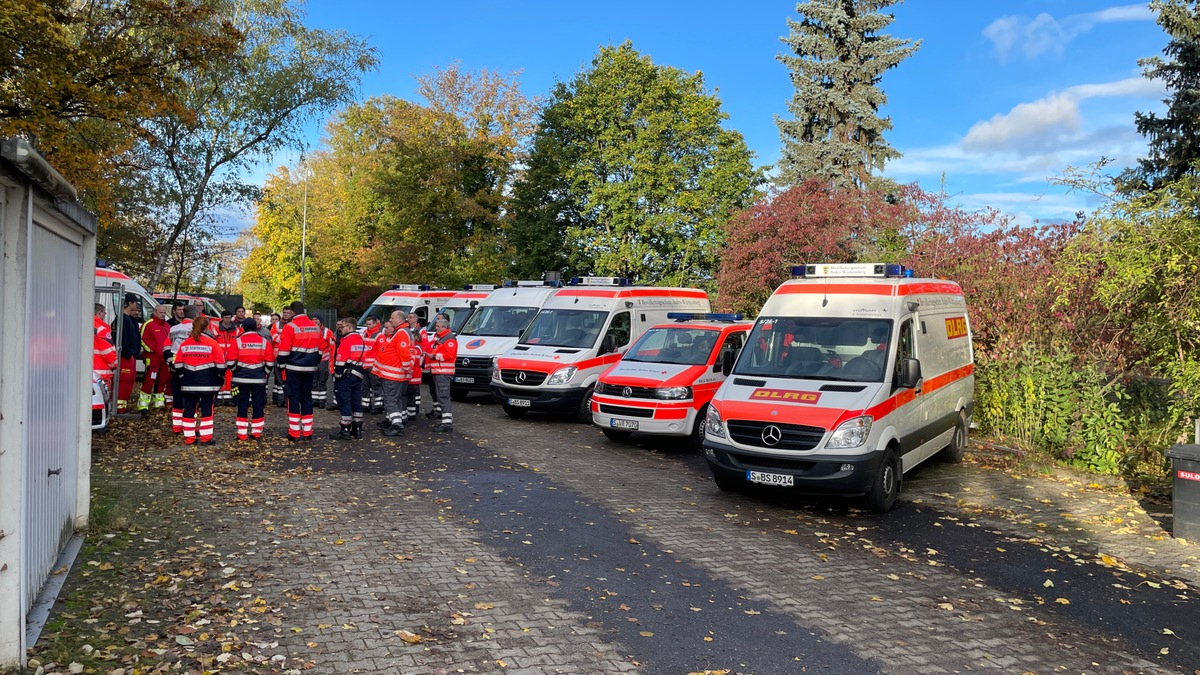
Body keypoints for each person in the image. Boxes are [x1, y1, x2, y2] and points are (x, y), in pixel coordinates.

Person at [173, 315, 225, 445]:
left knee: (189, 410)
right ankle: (206, 438)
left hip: (188, 383)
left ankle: (189, 438)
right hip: (208, 385)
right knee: (207, 410)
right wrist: (218, 377)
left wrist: (183, 377)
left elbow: (177, 365)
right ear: (207, 327)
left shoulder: (185, 343)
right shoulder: (212, 343)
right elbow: (221, 366)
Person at [276, 301, 321, 442]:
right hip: (310, 368)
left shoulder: (290, 327)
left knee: (293, 398)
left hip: (293, 368)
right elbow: (320, 350)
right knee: (307, 397)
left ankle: (294, 433)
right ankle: (308, 432)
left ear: (293, 312)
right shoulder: (315, 327)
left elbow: (283, 351)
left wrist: (281, 366)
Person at [228, 317, 274, 441]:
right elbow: (270, 363)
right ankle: (256, 432)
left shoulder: (237, 341)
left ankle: (242, 433)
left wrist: (235, 371)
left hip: (239, 380)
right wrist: (264, 373)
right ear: (255, 327)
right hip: (258, 380)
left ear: (243, 327)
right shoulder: (264, 341)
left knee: (241, 405)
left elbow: (230, 362)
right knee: (258, 405)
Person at [373, 311, 414, 437]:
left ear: (400, 319)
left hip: (393, 374)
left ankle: (397, 425)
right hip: (394, 374)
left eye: (392, 318)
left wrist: (407, 369)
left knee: (390, 399)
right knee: (395, 399)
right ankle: (395, 422)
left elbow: (405, 354)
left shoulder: (401, 333)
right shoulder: (401, 332)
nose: (390, 320)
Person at [330, 317, 367, 440]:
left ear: (349, 327)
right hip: (358, 375)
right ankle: (357, 429)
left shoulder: (346, 341)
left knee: (344, 401)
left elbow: (340, 362)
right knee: (356, 401)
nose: (341, 329)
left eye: (343, 327)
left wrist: (337, 375)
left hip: (346, 375)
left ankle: (345, 429)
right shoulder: (361, 340)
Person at [165, 305, 200, 433]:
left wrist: (170, 362)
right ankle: (190, 425)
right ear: (196, 315)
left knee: (177, 398)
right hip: (191, 369)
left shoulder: (173, 328)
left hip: (175, 368)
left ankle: (177, 426)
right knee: (191, 399)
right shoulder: (196, 329)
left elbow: (166, 348)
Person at [425, 314, 458, 432]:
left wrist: (433, 356)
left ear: (444, 327)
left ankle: (447, 424)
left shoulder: (449, 338)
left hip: (443, 372)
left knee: (443, 397)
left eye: (438, 326)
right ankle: (445, 422)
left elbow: (449, 355)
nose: (436, 328)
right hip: (438, 371)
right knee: (441, 396)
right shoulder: (441, 337)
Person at [138, 304, 172, 410]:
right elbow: (142, 339)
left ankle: (159, 403)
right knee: (150, 380)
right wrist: (152, 350)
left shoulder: (167, 326)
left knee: (162, 380)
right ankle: (143, 405)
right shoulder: (148, 324)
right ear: (154, 312)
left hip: (164, 358)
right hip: (152, 358)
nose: (163, 315)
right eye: (160, 312)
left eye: (164, 313)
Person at [115, 294, 143, 413]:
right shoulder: (122, 319)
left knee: (129, 381)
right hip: (125, 356)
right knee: (124, 381)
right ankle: (119, 408)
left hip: (130, 356)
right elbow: (122, 339)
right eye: (135, 303)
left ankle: (122, 406)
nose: (137, 306)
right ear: (130, 303)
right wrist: (128, 353)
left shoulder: (129, 319)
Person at [214, 310, 240, 406]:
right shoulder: (215, 329)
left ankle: (231, 398)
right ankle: (219, 398)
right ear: (222, 318)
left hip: (232, 357)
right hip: (219, 357)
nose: (228, 319)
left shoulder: (237, 330)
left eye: (229, 317)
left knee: (231, 378)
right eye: (226, 317)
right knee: (219, 377)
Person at [360, 316, 384, 414]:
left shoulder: (379, 335)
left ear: (375, 324)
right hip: (364, 364)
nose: (368, 326)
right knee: (364, 386)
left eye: (370, 324)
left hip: (373, 365)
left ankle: (378, 406)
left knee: (376, 386)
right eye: (367, 324)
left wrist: (377, 365)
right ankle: (365, 405)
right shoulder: (364, 334)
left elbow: (381, 352)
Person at [403, 312, 424, 421]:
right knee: (412, 394)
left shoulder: (417, 348)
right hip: (413, 374)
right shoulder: (416, 348)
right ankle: (412, 411)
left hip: (414, 374)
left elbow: (415, 360)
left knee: (412, 394)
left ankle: (413, 412)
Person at [312, 317, 335, 409]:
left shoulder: (327, 331)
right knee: (313, 380)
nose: (314, 321)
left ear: (321, 321)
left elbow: (332, 345)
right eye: (312, 319)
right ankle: (314, 400)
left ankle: (322, 401)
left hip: (323, 359)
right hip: (312, 358)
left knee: (322, 380)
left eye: (316, 319)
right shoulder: (310, 330)